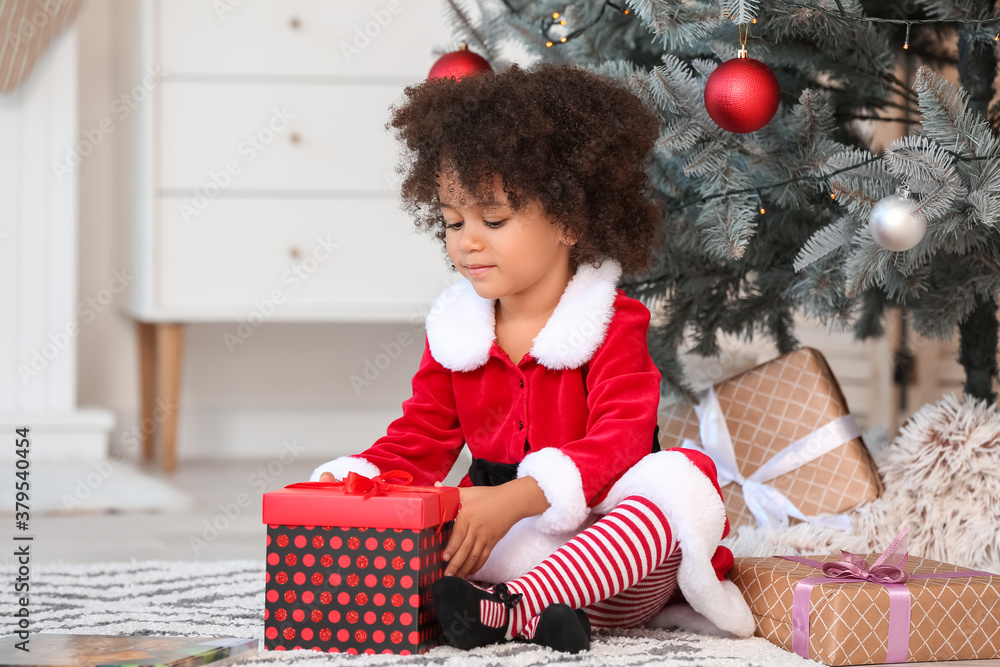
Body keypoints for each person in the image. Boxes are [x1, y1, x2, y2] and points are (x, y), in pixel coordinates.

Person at [310, 62, 754, 654]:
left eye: (493, 219)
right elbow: (418, 439)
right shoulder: (456, 333)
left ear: (569, 220)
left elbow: (621, 440)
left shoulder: (612, 322)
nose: (467, 240)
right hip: (504, 549)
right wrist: (353, 484)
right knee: (428, 537)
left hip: (612, 562)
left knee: (675, 487)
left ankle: (512, 612)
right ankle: (504, 607)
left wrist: (516, 499)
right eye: (451, 221)